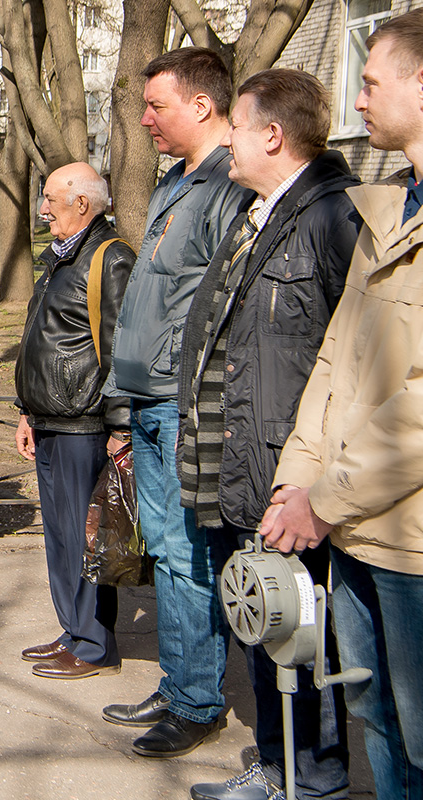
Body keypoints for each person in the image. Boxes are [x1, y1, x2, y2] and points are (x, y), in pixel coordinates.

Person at [180, 69, 358, 800]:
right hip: (243, 469)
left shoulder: (330, 217)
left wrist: (316, 479)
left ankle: (310, 779)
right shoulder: (258, 213)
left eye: (236, 129)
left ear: (271, 136)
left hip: (291, 477)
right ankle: (280, 766)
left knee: (301, 637)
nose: (226, 142)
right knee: (267, 630)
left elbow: (356, 358)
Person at [260, 12, 423, 797]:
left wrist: (322, 497)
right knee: (376, 718)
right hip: (355, 528)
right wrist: (299, 482)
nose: (357, 100)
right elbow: (336, 363)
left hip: (412, 545)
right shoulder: (388, 211)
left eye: (371, 79)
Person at [101, 47, 254, 757]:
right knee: (165, 551)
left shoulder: (233, 182)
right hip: (148, 399)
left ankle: (198, 702)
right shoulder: (174, 180)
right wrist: (123, 404)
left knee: (191, 554)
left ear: (201, 105)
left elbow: (223, 303)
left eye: (156, 105)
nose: (145, 119)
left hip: (187, 404)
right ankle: (179, 679)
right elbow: (152, 297)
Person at [14, 163, 134, 680]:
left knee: (86, 537)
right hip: (50, 419)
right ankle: (72, 629)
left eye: (50, 199)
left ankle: (92, 643)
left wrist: (121, 427)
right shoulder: (61, 258)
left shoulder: (110, 259)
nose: (42, 209)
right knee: (61, 536)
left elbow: (122, 350)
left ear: (81, 205)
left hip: (85, 424)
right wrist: (27, 412)